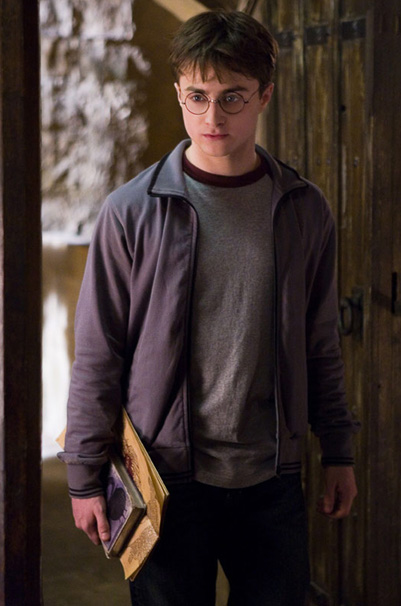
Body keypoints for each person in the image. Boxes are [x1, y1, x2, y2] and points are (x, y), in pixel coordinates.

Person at [59, 9, 360, 606]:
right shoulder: (133, 211)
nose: (212, 118)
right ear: (179, 93)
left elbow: (320, 342)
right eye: (196, 97)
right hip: (165, 479)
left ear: (264, 96)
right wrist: (84, 474)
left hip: (272, 478)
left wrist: (338, 451)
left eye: (232, 98)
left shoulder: (303, 209)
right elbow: (98, 352)